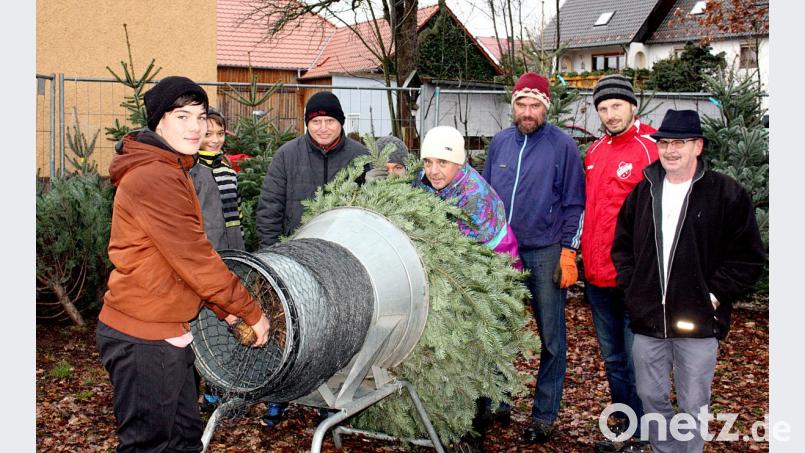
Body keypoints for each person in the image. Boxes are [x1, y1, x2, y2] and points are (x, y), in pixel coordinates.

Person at [96, 76, 270, 452]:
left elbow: (179, 263)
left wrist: (225, 313)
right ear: (158, 121)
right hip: (143, 337)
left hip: (167, 329)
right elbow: (197, 260)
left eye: (201, 116)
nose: (195, 127)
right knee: (151, 445)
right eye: (182, 116)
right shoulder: (155, 177)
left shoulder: (174, 167)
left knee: (184, 439)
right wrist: (251, 313)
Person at [611, 109, 766, 452]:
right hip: (648, 319)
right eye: (664, 142)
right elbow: (622, 247)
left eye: (679, 142)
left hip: (697, 322)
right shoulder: (644, 191)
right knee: (650, 396)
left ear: (698, 146)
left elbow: (749, 257)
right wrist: (634, 290)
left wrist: (713, 296)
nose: (670, 150)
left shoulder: (727, 194)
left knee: (693, 404)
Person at [482, 72, 585, 444]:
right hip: (500, 252)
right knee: (498, 332)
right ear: (513, 107)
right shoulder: (500, 143)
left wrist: (568, 252)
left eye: (534, 105)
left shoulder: (563, 147)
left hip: (545, 253)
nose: (527, 112)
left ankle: (544, 414)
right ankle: (499, 398)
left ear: (546, 107)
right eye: (521, 105)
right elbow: (486, 198)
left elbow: (575, 203)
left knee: (551, 337)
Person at [583, 75, 657, 452]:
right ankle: (625, 425)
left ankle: (645, 434)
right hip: (597, 277)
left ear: (632, 106)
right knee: (613, 359)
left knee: (637, 358)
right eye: (603, 108)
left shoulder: (651, 149)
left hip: (636, 280)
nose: (610, 114)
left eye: (616, 106)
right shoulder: (594, 153)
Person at [256, 91, 369, 248]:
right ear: (307, 123)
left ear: (340, 122)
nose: (323, 128)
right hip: (295, 247)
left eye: (330, 121)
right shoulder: (286, 155)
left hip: (345, 248)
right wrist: (272, 253)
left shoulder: (361, 156)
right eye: (316, 121)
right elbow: (270, 209)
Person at [188, 108, 246, 412]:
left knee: (227, 319)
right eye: (207, 134)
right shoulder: (192, 171)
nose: (214, 140)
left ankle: (218, 386)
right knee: (203, 320)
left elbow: (233, 216)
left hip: (231, 251)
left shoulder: (225, 168)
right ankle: (199, 387)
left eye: (220, 134)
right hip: (207, 256)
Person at [414, 125, 521, 265]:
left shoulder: (475, 197)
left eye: (443, 162)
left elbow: (462, 254)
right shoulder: (427, 178)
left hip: (494, 260)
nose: (433, 171)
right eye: (428, 162)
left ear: (459, 163)